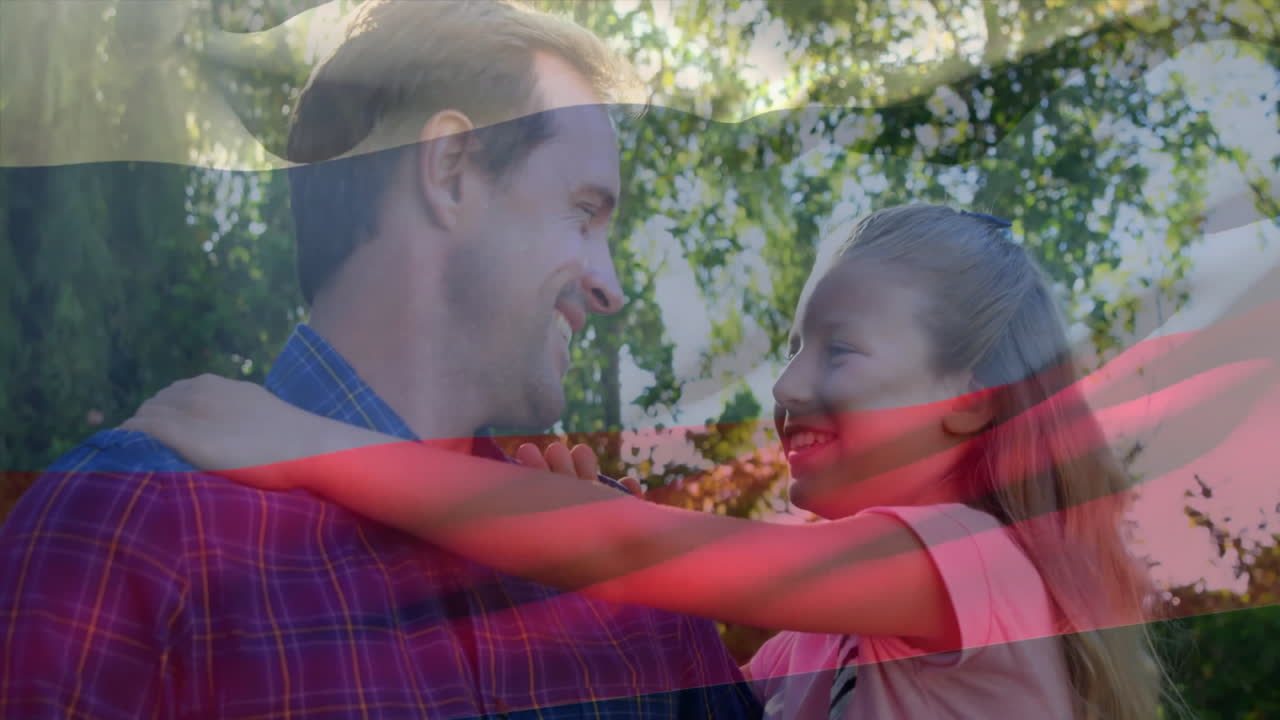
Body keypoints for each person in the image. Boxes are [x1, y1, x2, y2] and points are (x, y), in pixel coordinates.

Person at [0, 2, 762, 718]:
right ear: (451, 167)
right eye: (584, 213)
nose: (611, 287)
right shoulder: (133, 526)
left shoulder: (632, 593)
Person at [125, 204, 1171, 719]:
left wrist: (311, 445)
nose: (789, 385)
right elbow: (669, 661)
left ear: (966, 407)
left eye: (839, 350)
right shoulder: (821, 647)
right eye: (795, 343)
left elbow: (644, 548)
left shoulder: (972, 560)